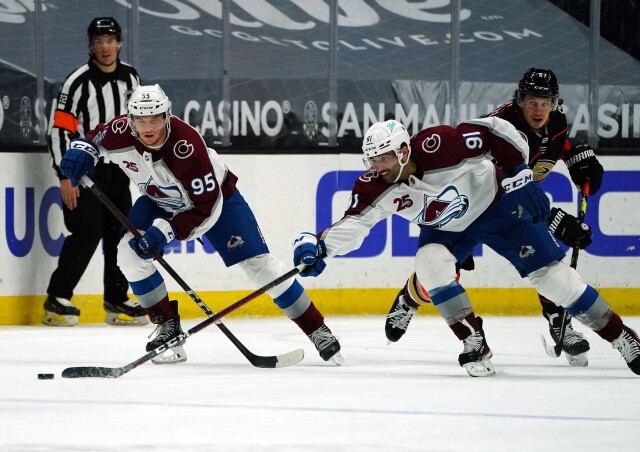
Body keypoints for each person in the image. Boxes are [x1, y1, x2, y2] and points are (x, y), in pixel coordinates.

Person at [292, 117, 640, 377]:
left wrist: (520, 173)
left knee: (554, 281)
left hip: (496, 208)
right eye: (371, 160)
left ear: (402, 150)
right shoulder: (374, 185)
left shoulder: (440, 144)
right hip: (447, 229)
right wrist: (319, 247)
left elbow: (495, 131)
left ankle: (622, 337)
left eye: (382, 158)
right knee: (428, 262)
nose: (376, 167)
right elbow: (355, 223)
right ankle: (474, 340)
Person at [57, 84, 343, 365]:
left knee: (261, 267)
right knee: (128, 253)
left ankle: (317, 329)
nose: (148, 127)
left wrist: (166, 231)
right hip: (158, 200)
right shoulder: (122, 130)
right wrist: (84, 149)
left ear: (167, 116)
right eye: (140, 120)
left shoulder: (186, 147)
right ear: (130, 119)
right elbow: (96, 138)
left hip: (217, 203)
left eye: (155, 119)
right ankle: (167, 325)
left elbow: (205, 208)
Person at [383, 68, 604, 367]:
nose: (539, 109)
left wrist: (576, 154)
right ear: (518, 100)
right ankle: (409, 300)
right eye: (531, 101)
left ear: (555, 103)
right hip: (472, 205)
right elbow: (494, 187)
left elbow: (553, 144)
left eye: (545, 102)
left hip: (516, 203)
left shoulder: (556, 121)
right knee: (441, 269)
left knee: (547, 262)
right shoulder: (501, 128)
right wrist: (551, 217)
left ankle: (558, 321)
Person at [44, 17, 147, 327]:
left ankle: (116, 299)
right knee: (87, 231)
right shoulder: (77, 82)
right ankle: (57, 298)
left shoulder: (131, 78)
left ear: (119, 43)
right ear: (90, 45)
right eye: (99, 41)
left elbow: (140, 124)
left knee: (123, 235)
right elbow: (59, 131)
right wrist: (66, 176)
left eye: (111, 40)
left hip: (118, 172)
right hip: (84, 172)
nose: (105, 47)